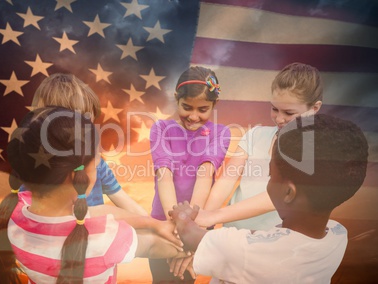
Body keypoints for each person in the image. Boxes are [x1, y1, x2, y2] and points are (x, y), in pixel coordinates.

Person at [0, 107, 186, 284]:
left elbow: (96, 212)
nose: (100, 162)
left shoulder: (14, 214)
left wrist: (155, 224)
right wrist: (187, 245)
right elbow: (152, 247)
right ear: (77, 175)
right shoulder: (104, 238)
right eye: (97, 158)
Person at [169, 113, 369, 283]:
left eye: (271, 175)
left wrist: (182, 215)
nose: (268, 179)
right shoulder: (336, 235)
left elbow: (190, 234)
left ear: (288, 193)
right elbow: (273, 238)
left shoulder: (240, 249)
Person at [199, 62, 323, 230]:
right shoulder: (255, 135)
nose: (279, 119)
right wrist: (201, 223)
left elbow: (276, 197)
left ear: (314, 108)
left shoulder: (316, 150)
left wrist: (214, 216)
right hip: (231, 235)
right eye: (274, 109)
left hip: (272, 244)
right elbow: (227, 180)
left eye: (289, 113)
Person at [149, 66, 231, 282]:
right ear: (176, 99)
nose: (193, 116)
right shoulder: (160, 128)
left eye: (202, 109)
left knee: (184, 276)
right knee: (162, 278)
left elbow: (205, 174)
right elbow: (164, 175)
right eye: (186, 107)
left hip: (197, 225)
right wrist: (175, 225)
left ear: (214, 105)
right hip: (164, 223)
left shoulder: (221, 133)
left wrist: (188, 229)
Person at [25, 73, 148, 215]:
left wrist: (158, 226)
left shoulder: (97, 163)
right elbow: (36, 218)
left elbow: (124, 200)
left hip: (97, 235)